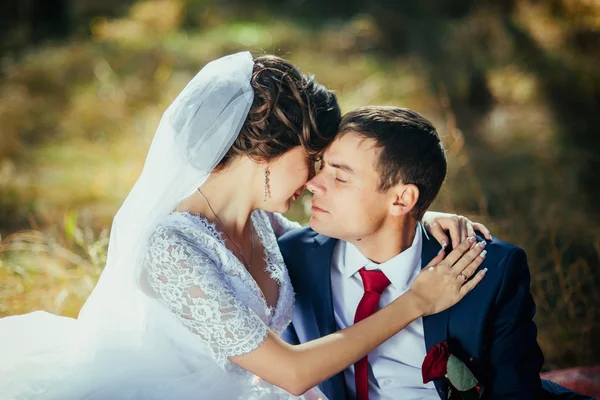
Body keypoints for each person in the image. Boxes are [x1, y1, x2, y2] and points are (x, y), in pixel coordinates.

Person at [0, 53, 490, 400]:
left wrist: (413, 214)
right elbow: (293, 373)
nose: (318, 178)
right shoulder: (172, 249)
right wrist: (417, 302)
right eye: (314, 160)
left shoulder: (263, 224)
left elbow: (333, 236)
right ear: (263, 155)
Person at [279, 106, 594, 400]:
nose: (313, 183)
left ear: (402, 199)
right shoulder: (293, 257)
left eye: (340, 175)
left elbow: (514, 392)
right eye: (322, 167)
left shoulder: (489, 272)